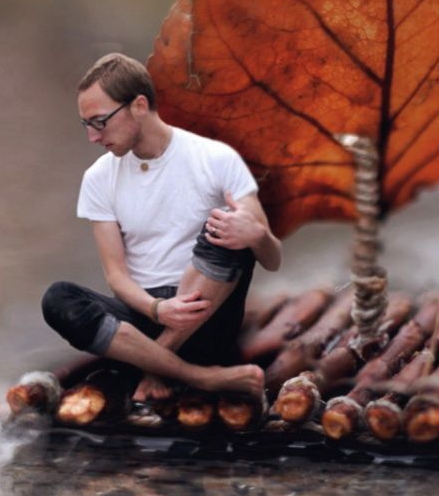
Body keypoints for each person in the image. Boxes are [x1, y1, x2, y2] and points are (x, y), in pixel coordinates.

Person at [42, 53, 281, 404]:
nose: (93, 137)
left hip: (207, 320)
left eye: (100, 122)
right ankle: (200, 378)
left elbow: (272, 258)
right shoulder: (98, 178)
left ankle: (156, 366)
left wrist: (257, 235)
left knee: (229, 228)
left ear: (139, 105)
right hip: (143, 319)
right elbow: (116, 276)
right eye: (86, 125)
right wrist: (157, 310)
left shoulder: (216, 159)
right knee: (58, 299)